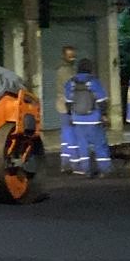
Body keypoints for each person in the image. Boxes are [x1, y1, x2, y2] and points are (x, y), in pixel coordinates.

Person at [64, 58, 112, 176]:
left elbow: (68, 102)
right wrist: (104, 115)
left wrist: (71, 116)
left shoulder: (71, 82)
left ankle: (87, 170)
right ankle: (105, 169)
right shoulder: (94, 81)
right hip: (94, 119)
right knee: (99, 144)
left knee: (83, 146)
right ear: (90, 68)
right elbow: (101, 101)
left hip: (77, 119)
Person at [55, 45, 79, 173]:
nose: (72, 58)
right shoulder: (65, 71)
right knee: (71, 133)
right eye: (69, 56)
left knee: (66, 134)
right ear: (64, 56)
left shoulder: (66, 69)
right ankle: (74, 163)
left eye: (73, 55)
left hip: (63, 104)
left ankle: (65, 162)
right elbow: (70, 89)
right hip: (67, 105)